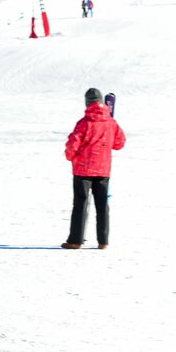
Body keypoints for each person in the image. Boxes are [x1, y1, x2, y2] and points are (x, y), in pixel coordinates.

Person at [62, 88, 125, 250]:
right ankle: (103, 241)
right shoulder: (111, 123)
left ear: (87, 103)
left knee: (80, 204)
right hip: (103, 170)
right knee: (102, 205)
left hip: (82, 170)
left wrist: (71, 157)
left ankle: (75, 240)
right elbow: (119, 143)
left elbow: (72, 145)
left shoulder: (84, 123)